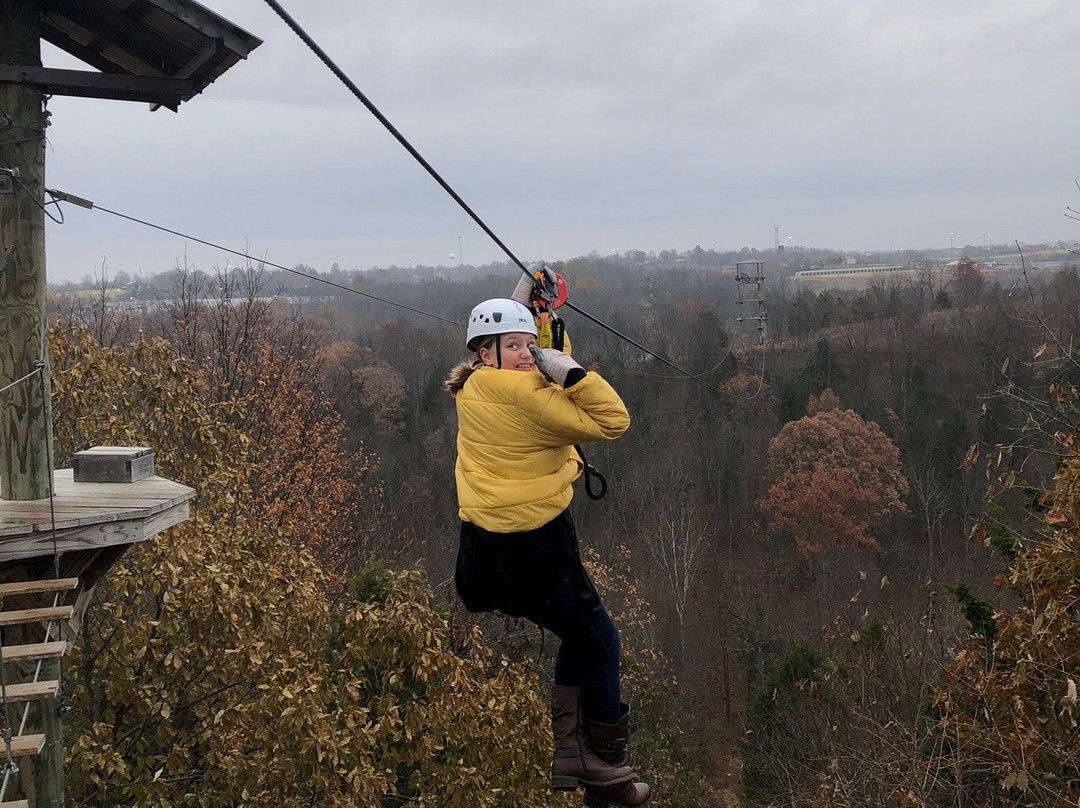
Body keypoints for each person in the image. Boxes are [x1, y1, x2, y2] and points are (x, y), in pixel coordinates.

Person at [443, 272, 651, 808]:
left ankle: (570, 754)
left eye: (527, 346)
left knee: (575, 639)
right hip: (537, 553)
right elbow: (612, 419)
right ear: (486, 353)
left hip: (484, 559)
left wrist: (526, 313)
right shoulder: (530, 401)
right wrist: (569, 369)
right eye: (513, 347)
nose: (524, 354)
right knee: (602, 642)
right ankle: (605, 768)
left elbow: (513, 361)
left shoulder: (470, 387)